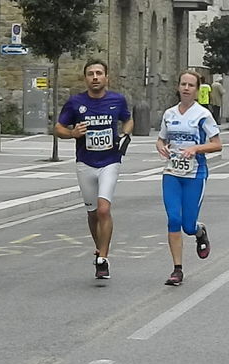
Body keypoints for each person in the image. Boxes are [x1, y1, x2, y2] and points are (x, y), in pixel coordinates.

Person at [55, 59, 133, 280]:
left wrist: (125, 135)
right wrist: (72, 133)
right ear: (86, 78)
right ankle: (100, 246)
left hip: (110, 161)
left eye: (99, 73)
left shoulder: (117, 100)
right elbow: (58, 128)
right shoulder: (75, 102)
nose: (95, 77)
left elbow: (128, 120)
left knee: (103, 209)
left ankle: (103, 259)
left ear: (107, 77)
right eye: (91, 74)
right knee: (92, 213)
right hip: (85, 162)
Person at [156, 70, 221, 286]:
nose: (186, 88)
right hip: (172, 173)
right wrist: (161, 147)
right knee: (173, 219)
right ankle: (177, 269)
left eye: (190, 85)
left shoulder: (203, 115)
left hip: (195, 174)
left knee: (188, 226)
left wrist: (196, 148)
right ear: (178, 87)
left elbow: (217, 144)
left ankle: (200, 231)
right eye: (183, 84)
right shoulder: (169, 114)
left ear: (196, 90)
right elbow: (160, 139)